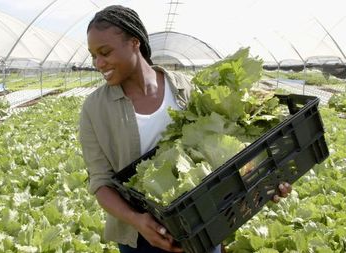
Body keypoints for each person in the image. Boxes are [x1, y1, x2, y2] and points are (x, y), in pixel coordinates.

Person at [78, 5, 292, 253]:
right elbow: (101, 182)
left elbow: (225, 149)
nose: (98, 63)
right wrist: (138, 221)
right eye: (93, 55)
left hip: (203, 223)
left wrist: (264, 182)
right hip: (140, 239)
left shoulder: (185, 88)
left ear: (135, 42)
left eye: (105, 52)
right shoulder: (94, 109)